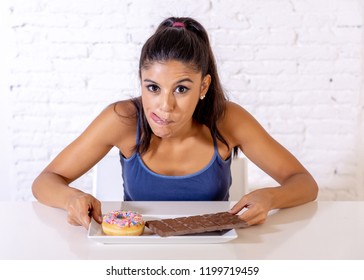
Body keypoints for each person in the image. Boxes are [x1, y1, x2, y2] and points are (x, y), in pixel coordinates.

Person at [32, 17, 318, 229]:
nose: (164, 106)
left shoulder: (228, 120)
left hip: (213, 258)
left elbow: (305, 183)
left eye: (181, 89)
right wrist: (72, 198)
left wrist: (270, 197)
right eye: (153, 87)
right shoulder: (122, 120)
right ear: (141, 82)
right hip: (136, 257)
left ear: (203, 86)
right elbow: (45, 181)